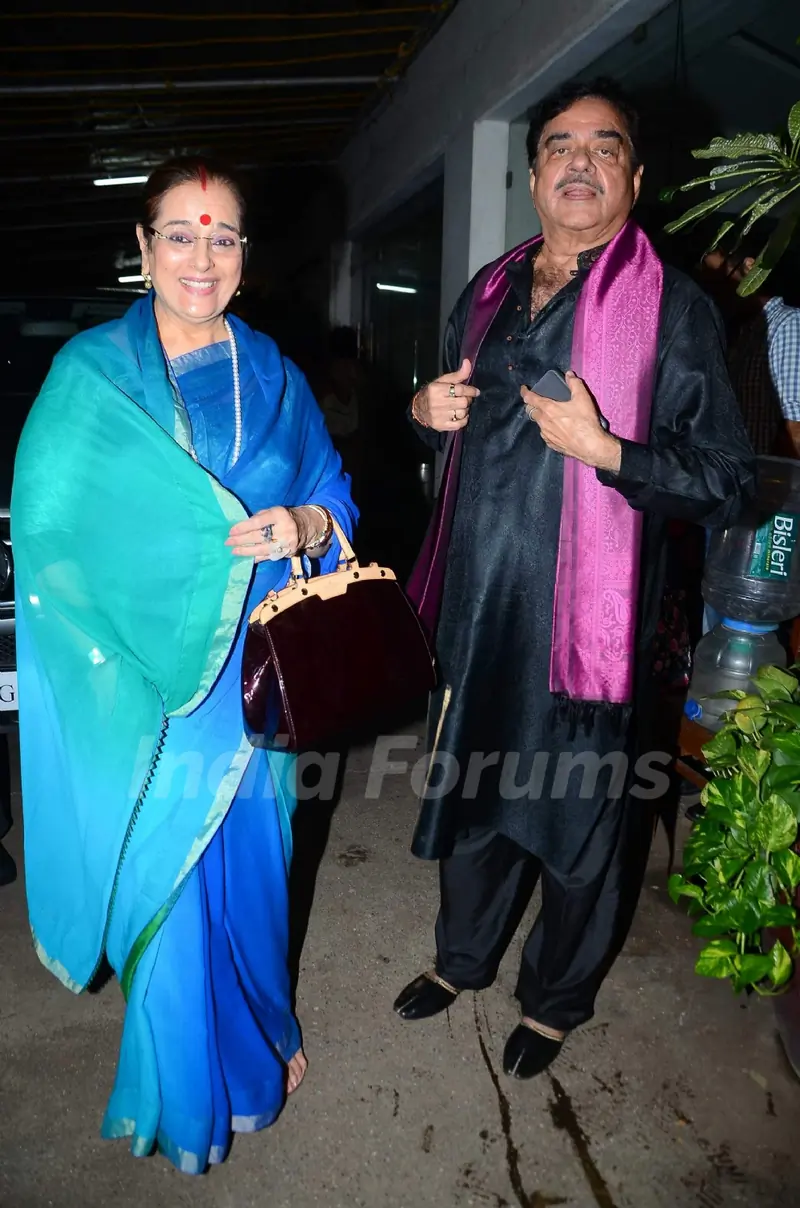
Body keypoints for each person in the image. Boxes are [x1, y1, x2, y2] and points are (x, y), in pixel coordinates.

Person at [395, 79, 754, 1080]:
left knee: (579, 826)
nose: (579, 163)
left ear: (633, 179)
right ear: (532, 173)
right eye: (559, 145)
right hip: (480, 610)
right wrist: (422, 414)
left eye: (604, 148)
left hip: (593, 631)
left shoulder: (672, 307)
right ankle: (460, 960)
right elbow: (445, 419)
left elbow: (722, 479)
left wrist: (609, 450)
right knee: (473, 800)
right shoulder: (488, 288)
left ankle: (553, 1002)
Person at [12, 157, 356, 1172]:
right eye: (179, 234)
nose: (200, 256)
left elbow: (334, 496)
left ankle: (255, 1040)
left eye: (223, 237)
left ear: (245, 257)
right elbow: (47, 524)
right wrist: (132, 601)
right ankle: (189, 1089)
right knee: (168, 886)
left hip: (253, 679)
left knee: (252, 873)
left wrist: (299, 520)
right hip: (147, 689)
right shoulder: (90, 376)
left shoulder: (277, 376)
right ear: (143, 247)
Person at [701, 241, 800, 457]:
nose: (716, 291)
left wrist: (780, 485)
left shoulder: (788, 324)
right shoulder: (744, 333)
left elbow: (796, 428)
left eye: (721, 279)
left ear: (750, 266)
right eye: (709, 283)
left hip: (772, 482)